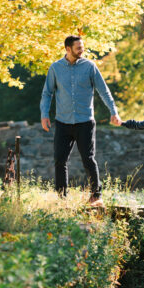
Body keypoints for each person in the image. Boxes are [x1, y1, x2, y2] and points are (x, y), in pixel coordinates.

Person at [40, 35, 122, 207]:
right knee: (60, 160)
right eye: (78, 48)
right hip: (63, 121)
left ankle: (96, 196)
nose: (81, 50)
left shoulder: (90, 67)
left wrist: (113, 112)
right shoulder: (55, 68)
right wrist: (44, 114)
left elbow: (104, 91)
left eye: (82, 47)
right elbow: (47, 93)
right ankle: (62, 198)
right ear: (68, 49)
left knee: (88, 159)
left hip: (85, 121)